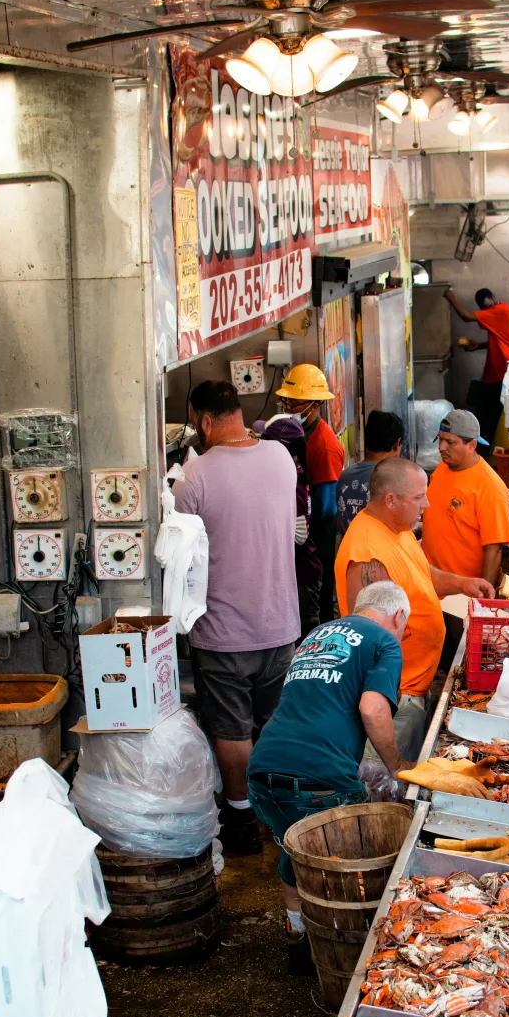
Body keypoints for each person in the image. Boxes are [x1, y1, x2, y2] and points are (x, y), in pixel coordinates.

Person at [247, 581, 411, 966]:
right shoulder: (384, 642)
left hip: (263, 770)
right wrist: (397, 765)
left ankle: (299, 937)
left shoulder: (316, 634)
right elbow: (373, 710)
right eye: (407, 625)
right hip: (320, 779)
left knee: (297, 848)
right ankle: (346, 951)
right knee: (349, 862)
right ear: (398, 615)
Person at [174, 380, 299, 854]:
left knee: (231, 729)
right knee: (274, 723)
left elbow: (177, 553)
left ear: (205, 421)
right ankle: (282, 814)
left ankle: (242, 819)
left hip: (223, 633)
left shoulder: (194, 477)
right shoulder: (280, 458)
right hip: (280, 624)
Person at [335, 457, 494, 761]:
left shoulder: (399, 527)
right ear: (391, 500)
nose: (428, 504)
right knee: (385, 780)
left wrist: (463, 583)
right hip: (396, 694)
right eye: (419, 497)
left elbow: (421, 574)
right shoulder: (367, 552)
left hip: (415, 686)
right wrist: (385, 700)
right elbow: (367, 637)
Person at [276, 363, 344, 622]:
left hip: (321, 535)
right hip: (306, 533)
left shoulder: (323, 445)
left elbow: (326, 505)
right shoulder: (301, 432)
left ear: (313, 405)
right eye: (287, 401)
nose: (288, 408)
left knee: (320, 597)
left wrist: (298, 522)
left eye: (294, 403)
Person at [421, 408, 509, 589]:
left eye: (450, 442)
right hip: (428, 583)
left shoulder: (489, 486)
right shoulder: (442, 468)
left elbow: (493, 550)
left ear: (471, 445)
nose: (441, 447)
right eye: (439, 439)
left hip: (461, 593)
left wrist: (482, 598)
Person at [257, 414, 323, 640]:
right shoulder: (292, 471)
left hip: (304, 574)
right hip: (302, 572)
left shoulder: (293, 481)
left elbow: (300, 536)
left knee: (305, 642)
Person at [443, 286, 509, 447]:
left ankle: (489, 449)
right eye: (485, 309)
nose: (488, 310)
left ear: (494, 297)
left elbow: (466, 316)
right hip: (497, 371)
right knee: (487, 411)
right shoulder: (499, 310)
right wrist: (478, 346)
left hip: (503, 372)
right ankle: (490, 446)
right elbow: (500, 339)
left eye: (489, 306)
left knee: (490, 415)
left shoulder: (500, 310)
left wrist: (451, 298)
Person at [336, 409, 405, 536]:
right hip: (380, 553)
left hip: (350, 551)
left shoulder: (345, 476)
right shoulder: (393, 480)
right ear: (396, 444)